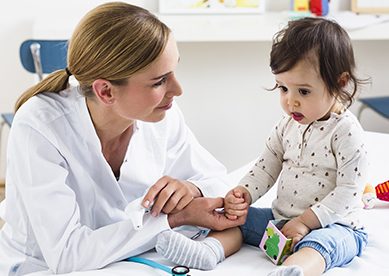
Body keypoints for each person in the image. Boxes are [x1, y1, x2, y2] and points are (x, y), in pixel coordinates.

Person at [0, 2, 244, 275]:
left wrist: (192, 189)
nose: (178, 89)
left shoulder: (161, 115)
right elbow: (68, 255)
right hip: (41, 268)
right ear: (105, 92)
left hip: (126, 259)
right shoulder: (39, 127)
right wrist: (177, 217)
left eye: (174, 72)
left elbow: (219, 181)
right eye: (159, 81)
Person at [156, 17, 370, 276]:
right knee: (236, 222)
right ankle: (207, 251)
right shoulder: (287, 125)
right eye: (282, 88)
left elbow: (349, 190)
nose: (291, 102)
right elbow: (266, 165)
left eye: (303, 92)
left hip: (336, 225)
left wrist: (306, 222)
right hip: (282, 220)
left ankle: (294, 270)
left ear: (339, 82)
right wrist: (244, 192)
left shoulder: (346, 131)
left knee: (322, 246)